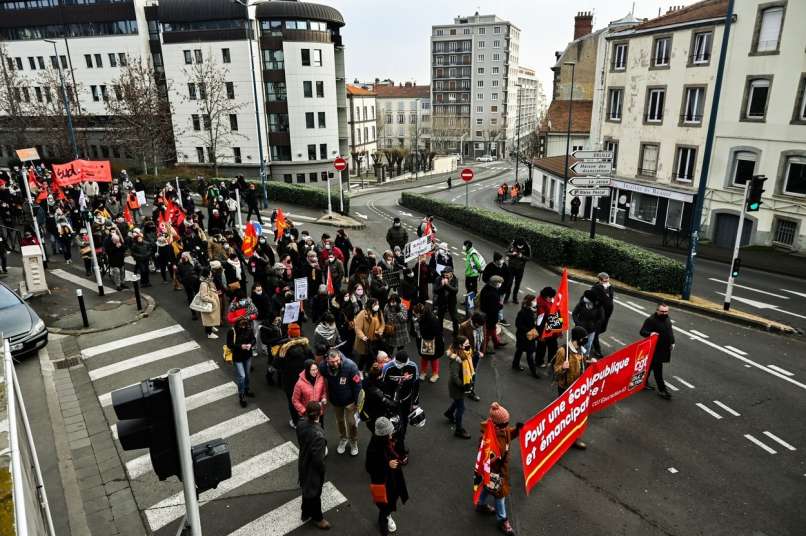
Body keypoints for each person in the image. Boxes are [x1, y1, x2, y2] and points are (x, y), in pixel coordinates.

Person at [475, 402, 520, 536]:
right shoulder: (488, 439)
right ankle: (502, 520)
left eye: (507, 424)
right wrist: (496, 461)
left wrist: (516, 430)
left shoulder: (501, 429)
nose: (507, 427)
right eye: (504, 425)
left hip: (499, 470)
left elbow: (508, 434)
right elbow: (486, 457)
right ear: (495, 424)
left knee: (486, 487)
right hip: (495, 472)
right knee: (500, 496)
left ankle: (481, 504)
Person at [552, 326, 595, 449]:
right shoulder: (563, 351)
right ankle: (561, 438)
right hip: (565, 388)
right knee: (566, 415)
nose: (586, 340)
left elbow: (581, 363)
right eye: (584, 338)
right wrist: (563, 368)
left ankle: (572, 437)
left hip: (577, 388)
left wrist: (589, 362)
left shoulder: (580, 349)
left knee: (575, 414)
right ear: (578, 338)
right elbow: (555, 373)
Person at [366, 416, 408, 536]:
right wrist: (387, 464)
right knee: (384, 503)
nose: (391, 435)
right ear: (383, 435)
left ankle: (386, 516)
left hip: (392, 478)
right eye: (389, 433)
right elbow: (370, 468)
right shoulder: (373, 449)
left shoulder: (384, 441)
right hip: (382, 481)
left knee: (392, 498)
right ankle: (383, 520)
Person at [319, 349, 362, 456]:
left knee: (352, 423)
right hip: (336, 400)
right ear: (327, 360)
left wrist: (358, 403)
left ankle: (353, 441)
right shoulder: (323, 366)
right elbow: (321, 381)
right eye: (332, 362)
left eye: (337, 360)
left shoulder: (351, 366)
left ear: (339, 357)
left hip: (350, 401)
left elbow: (357, 385)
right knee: (340, 422)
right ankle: (343, 438)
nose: (336, 363)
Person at [296, 400, 331, 530]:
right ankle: (318, 518)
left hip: (303, 460)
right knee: (315, 493)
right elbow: (318, 461)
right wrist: (322, 470)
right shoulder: (319, 436)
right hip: (312, 468)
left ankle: (305, 511)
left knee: (306, 486)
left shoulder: (301, 423)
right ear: (319, 414)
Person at [380, 350, 420, 462]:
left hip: (406, 401)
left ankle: (398, 444)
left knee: (404, 426)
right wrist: (387, 402)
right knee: (398, 428)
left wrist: (415, 402)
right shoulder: (387, 367)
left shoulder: (413, 366)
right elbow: (383, 386)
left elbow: (416, 386)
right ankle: (400, 453)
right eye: (399, 363)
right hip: (392, 403)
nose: (401, 365)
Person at [277, 323, 314, 428]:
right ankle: (308, 417)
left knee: (293, 402)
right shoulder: (306, 346)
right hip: (305, 380)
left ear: (289, 334)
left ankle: (296, 422)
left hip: (290, 382)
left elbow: (277, 364)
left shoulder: (284, 349)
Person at [640, 303, 675, 400]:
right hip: (654, 350)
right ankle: (662, 390)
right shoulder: (651, 320)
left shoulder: (667, 318)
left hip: (664, 349)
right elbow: (642, 331)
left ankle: (643, 382)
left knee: (650, 367)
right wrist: (651, 333)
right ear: (657, 310)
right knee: (658, 370)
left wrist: (672, 342)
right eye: (662, 311)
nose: (664, 313)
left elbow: (669, 331)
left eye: (666, 311)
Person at [444, 336, 472, 439]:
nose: (468, 345)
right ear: (460, 346)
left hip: (460, 384)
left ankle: (449, 413)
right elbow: (454, 376)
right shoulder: (456, 360)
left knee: (458, 401)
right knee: (461, 408)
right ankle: (458, 430)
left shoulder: (463, 353)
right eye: (466, 344)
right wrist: (463, 386)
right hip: (457, 386)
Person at [226, 317, 256, 408]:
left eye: (245, 325)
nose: (243, 327)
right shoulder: (232, 331)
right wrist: (241, 346)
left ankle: (246, 389)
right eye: (242, 325)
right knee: (241, 376)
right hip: (237, 357)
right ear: (238, 324)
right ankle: (241, 395)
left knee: (247, 374)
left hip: (247, 356)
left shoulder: (249, 329)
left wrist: (250, 344)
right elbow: (229, 344)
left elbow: (253, 339)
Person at [360, 362, 397, 434]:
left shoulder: (364, 382)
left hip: (369, 412)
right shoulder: (381, 385)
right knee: (382, 432)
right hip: (380, 413)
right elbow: (386, 401)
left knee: (374, 431)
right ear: (379, 376)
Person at [413, 303, 444, 383]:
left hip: (432, 342)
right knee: (424, 357)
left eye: (416, 314)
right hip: (422, 340)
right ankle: (423, 372)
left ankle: (435, 374)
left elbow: (437, 333)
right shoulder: (419, 319)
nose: (415, 316)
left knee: (434, 358)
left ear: (421, 313)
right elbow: (416, 331)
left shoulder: (433, 320)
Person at [354, 298, 385, 372]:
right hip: (366, 340)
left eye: (377, 304)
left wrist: (380, 331)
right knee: (363, 357)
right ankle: (360, 370)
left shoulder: (379, 312)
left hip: (376, 339)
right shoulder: (363, 314)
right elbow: (358, 327)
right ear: (370, 305)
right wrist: (363, 336)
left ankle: (368, 371)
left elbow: (382, 324)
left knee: (372, 357)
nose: (377, 306)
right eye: (375, 304)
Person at [458, 312, 484, 401]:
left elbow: (482, 337)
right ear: (474, 321)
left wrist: (481, 351)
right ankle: (466, 389)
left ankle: (469, 390)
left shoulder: (480, 325)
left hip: (476, 353)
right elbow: (460, 342)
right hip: (467, 355)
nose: (480, 327)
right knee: (466, 372)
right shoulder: (464, 326)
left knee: (473, 373)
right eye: (478, 325)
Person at [513, 294, 539, 377]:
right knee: (529, 354)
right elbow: (518, 324)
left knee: (520, 350)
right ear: (529, 302)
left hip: (530, 335)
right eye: (533, 300)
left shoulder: (534, 310)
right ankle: (533, 372)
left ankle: (515, 364)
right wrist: (529, 330)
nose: (535, 302)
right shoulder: (522, 312)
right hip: (524, 336)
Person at [572, 290, 604, 356]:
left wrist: (594, 327)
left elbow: (600, 319)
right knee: (576, 345)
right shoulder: (582, 303)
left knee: (587, 346)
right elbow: (574, 313)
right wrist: (577, 323)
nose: (584, 298)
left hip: (590, 331)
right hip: (579, 329)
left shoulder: (598, 307)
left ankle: (585, 359)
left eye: (586, 297)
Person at [590, 272, 614, 358]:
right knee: (595, 332)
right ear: (600, 280)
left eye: (608, 280)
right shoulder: (595, 288)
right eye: (605, 281)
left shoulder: (610, 287)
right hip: (598, 314)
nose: (607, 282)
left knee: (603, 329)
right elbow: (604, 299)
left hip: (607, 314)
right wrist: (604, 292)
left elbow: (610, 298)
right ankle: (597, 350)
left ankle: (590, 338)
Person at [479, 275, 506, 355]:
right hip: (490, 316)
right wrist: (500, 306)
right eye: (500, 283)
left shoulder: (488, 288)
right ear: (495, 283)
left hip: (487, 313)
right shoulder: (492, 294)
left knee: (492, 329)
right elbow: (493, 308)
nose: (500, 284)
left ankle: (496, 343)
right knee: (487, 333)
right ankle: (484, 348)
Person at [534, 287, 560, 368]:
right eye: (550, 297)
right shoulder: (540, 302)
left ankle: (552, 361)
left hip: (552, 324)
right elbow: (540, 319)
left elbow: (556, 311)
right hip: (544, 328)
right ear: (546, 296)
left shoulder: (549, 299)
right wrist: (541, 333)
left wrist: (558, 330)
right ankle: (539, 361)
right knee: (541, 346)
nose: (552, 299)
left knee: (553, 346)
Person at [434, 266, 460, 335]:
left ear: (451, 273)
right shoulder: (439, 279)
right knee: (440, 318)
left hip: (451, 302)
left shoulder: (455, 279)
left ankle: (456, 333)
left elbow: (455, 291)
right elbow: (435, 290)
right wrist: (442, 286)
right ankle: (440, 332)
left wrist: (447, 285)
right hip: (442, 302)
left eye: (447, 274)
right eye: (444, 274)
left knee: (455, 319)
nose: (445, 276)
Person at [505, 238, 531, 304]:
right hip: (511, 267)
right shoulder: (512, 244)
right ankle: (506, 297)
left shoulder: (527, 247)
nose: (519, 247)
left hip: (520, 269)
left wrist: (522, 256)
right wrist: (512, 254)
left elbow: (529, 258)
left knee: (517, 284)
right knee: (509, 283)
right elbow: (506, 252)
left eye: (521, 246)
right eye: (518, 246)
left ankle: (514, 298)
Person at [198, 267, 220, 339]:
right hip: (208, 303)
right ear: (207, 274)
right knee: (208, 318)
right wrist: (212, 300)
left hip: (211, 302)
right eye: (210, 272)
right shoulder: (204, 284)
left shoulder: (208, 281)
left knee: (212, 317)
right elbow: (203, 296)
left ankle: (212, 326)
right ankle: (209, 333)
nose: (211, 273)